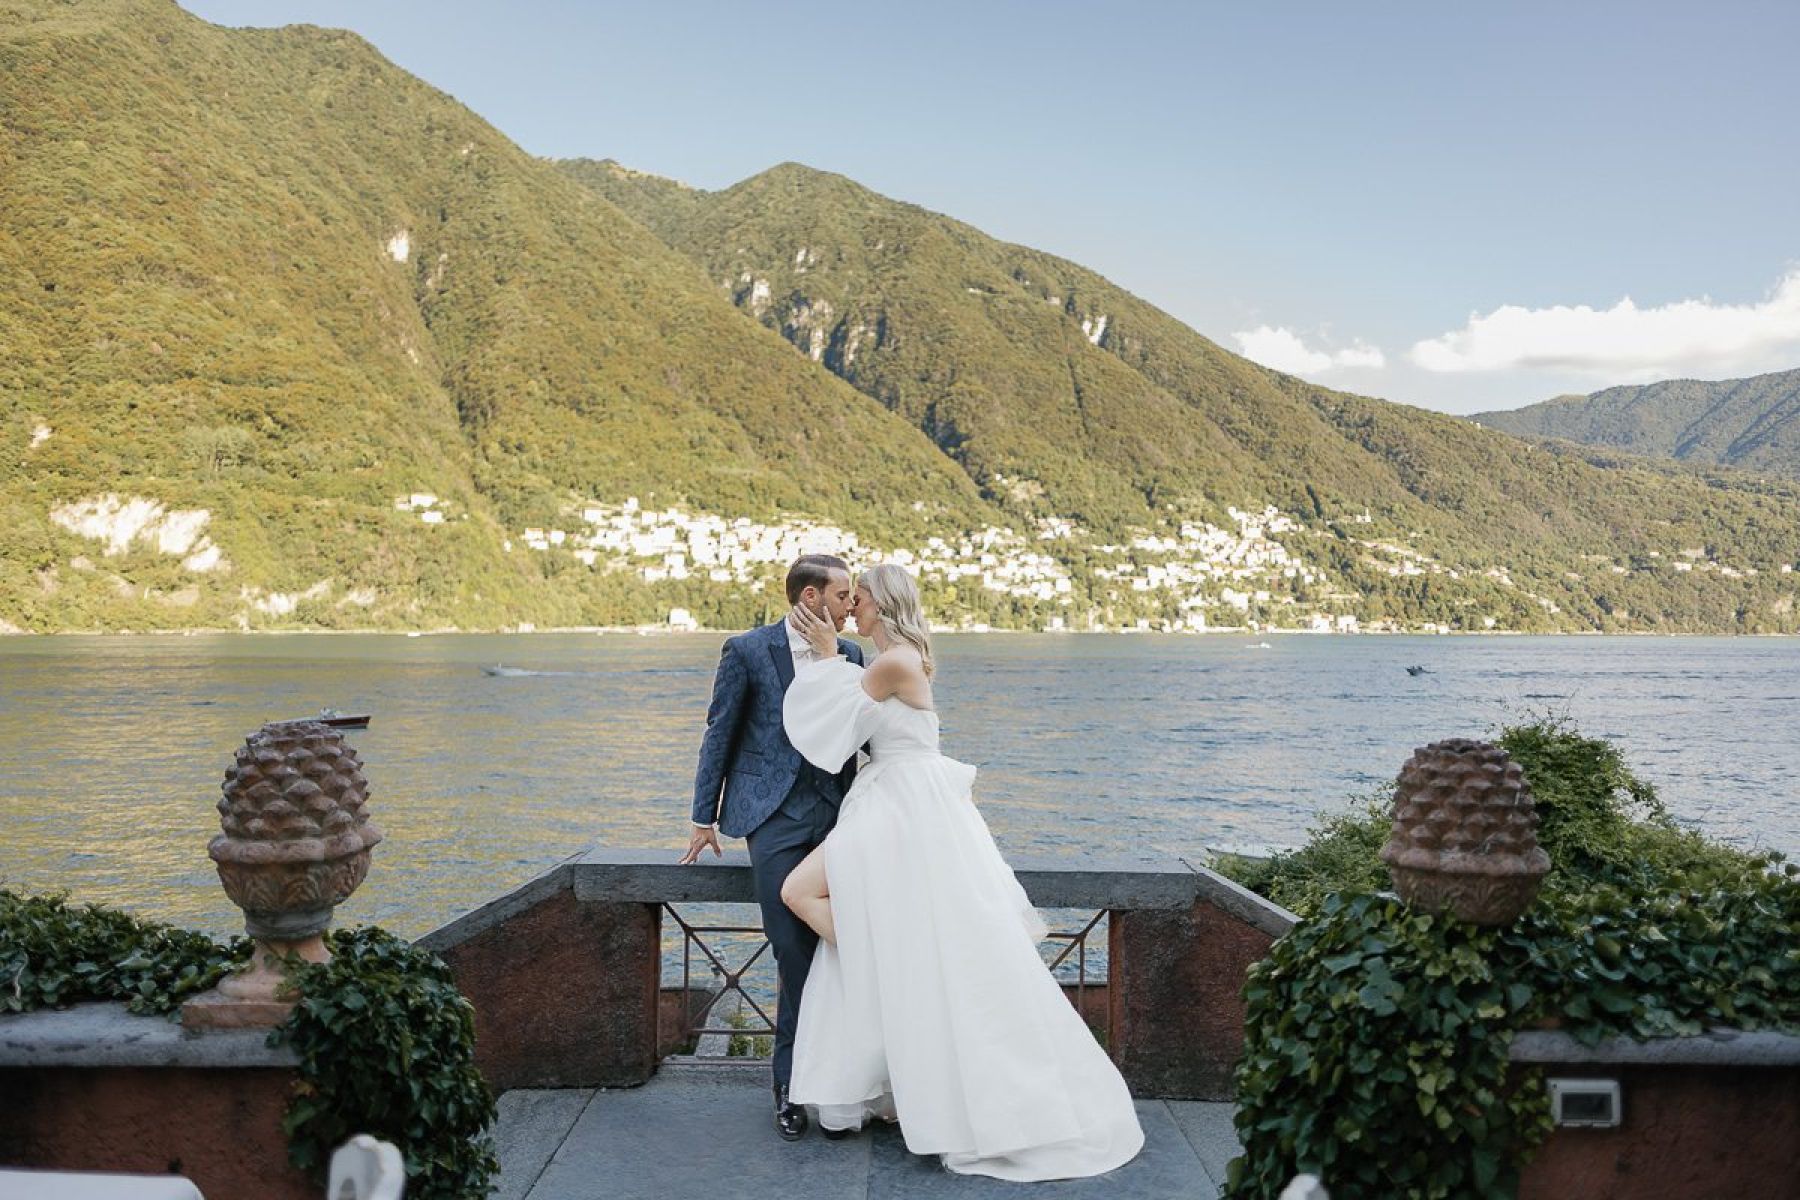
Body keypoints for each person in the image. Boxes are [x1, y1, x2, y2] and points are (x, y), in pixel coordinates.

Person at [777, 564, 1144, 1181]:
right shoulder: (893, 658)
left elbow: (834, 720)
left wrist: (821, 656)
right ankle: (896, 966)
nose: (851, 610)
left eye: (859, 599)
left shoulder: (894, 663)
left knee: (798, 889)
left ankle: (890, 965)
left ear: (883, 604)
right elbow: (841, 725)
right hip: (891, 797)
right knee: (847, 904)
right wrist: (830, 659)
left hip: (901, 800)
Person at [679, 554, 865, 1142]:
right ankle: (788, 1089)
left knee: (842, 952)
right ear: (810, 599)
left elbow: (863, 739)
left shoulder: (854, 657)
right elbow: (720, 733)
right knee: (791, 952)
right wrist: (702, 817)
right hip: (772, 818)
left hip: (840, 817)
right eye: (841, 597)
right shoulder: (748, 650)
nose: (850, 606)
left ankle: (838, 1085)